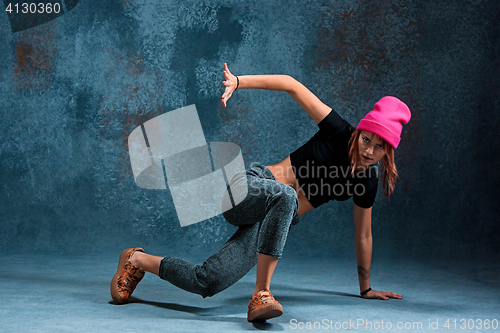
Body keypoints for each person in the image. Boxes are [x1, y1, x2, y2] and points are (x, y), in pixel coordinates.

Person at [110, 63, 410, 322]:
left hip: (270, 226)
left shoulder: (366, 182)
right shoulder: (338, 131)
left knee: (208, 280)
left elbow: (364, 235)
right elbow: (291, 86)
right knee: (287, 196)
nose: (369, 150)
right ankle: (262, 294)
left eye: (379, 146)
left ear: (389, 151)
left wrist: (366, 288)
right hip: (248, 189)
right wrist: (239, 82)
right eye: (366, 139)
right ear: (359, 132)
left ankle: (136, 260)